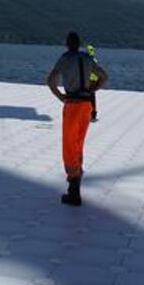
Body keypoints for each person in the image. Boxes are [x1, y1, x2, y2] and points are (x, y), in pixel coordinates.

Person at [47, 32, 108, 206]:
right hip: (86, 106)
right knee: (78, 144)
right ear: (80, 44)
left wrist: (60, 96)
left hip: (73, 105)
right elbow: (104, 77)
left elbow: (51, 80)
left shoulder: (65, 59)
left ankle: (73, 192)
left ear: (66, 44)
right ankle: (76, 186)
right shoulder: (88, 58)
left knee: (69, 146)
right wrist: (93, 89)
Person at [86, 43, 100, 121]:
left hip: (89, 81)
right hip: (93, 81)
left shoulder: (88, 60)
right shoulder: (94, 60)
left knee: (88, 98)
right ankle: (93, 114)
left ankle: (91, 114)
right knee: (91, 98)